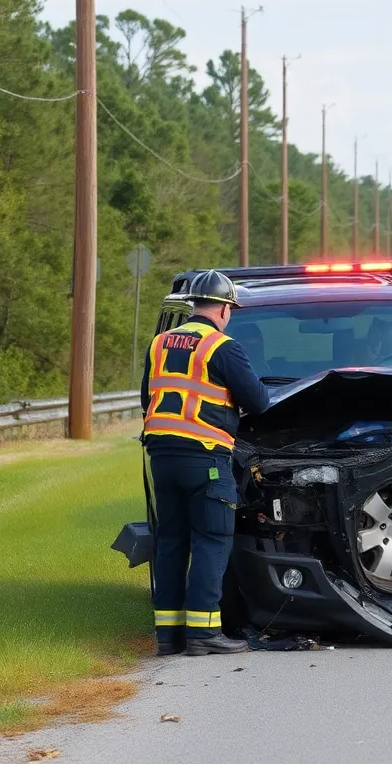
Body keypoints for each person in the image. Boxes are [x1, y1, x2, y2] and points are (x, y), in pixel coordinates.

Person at [140, 270, 270, 656]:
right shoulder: (221, 347)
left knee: (171, 542)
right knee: (212, 540)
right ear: (225, 309)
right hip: (206, 458)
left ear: (193, 304)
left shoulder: (159, 343)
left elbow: (147, 398)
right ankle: (203, 633)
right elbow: (259, 402)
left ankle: (169, 635)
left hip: (162, 456)